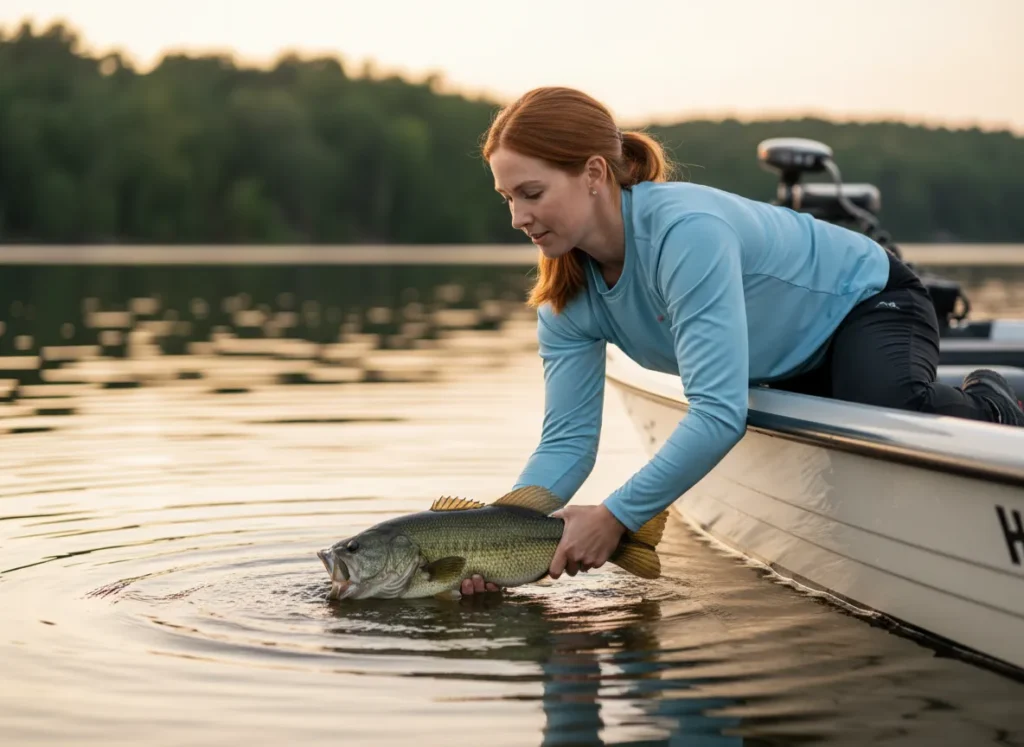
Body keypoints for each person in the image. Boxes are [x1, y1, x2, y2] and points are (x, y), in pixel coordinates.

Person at [459, 86, 1024, 597]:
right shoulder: (565, 298)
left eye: (531, 192)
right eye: (506, 197)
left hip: (868, 301)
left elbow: (718, 413)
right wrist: (488, 538)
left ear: (594, 173)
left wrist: (616, 516)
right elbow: (566, 445)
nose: (517, 217)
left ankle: (991, 400)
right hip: (784, 358)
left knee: (888, 407)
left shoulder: (685, 234)